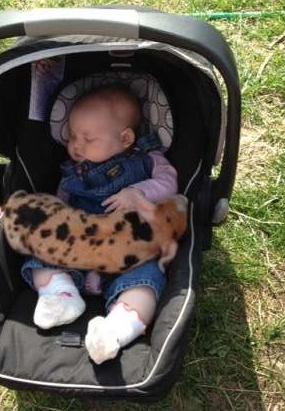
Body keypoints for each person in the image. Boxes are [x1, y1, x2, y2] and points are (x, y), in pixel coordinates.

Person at [21, 85, 178, 364]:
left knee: (145, 281)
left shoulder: (146, 158)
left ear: (126, 137)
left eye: (87, 138)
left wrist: (139, 193)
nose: (76, 145)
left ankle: (116, 329)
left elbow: (169, 182)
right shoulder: (72, 170)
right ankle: (61, 294)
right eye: (71, 137)